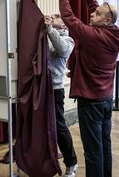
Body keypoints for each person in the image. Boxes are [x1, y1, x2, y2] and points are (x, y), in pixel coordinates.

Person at [58, 0, 119, 177]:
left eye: (96, 14)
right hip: (105, 100)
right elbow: (100, 11)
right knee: (104, 145)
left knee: (92, 151)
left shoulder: (93, 35)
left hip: (91, 102)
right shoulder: (113, 32)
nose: (92, 14)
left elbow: (69, 19)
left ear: (106, 20)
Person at [44, 13, 78, 177]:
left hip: (55, 89)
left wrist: (49, 28)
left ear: (64, 26)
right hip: (39, 88)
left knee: (59, 126)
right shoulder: (46, 35)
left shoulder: (68, 40)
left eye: (58, 17)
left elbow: (63, 51)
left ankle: (71, 162)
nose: (53, 16)